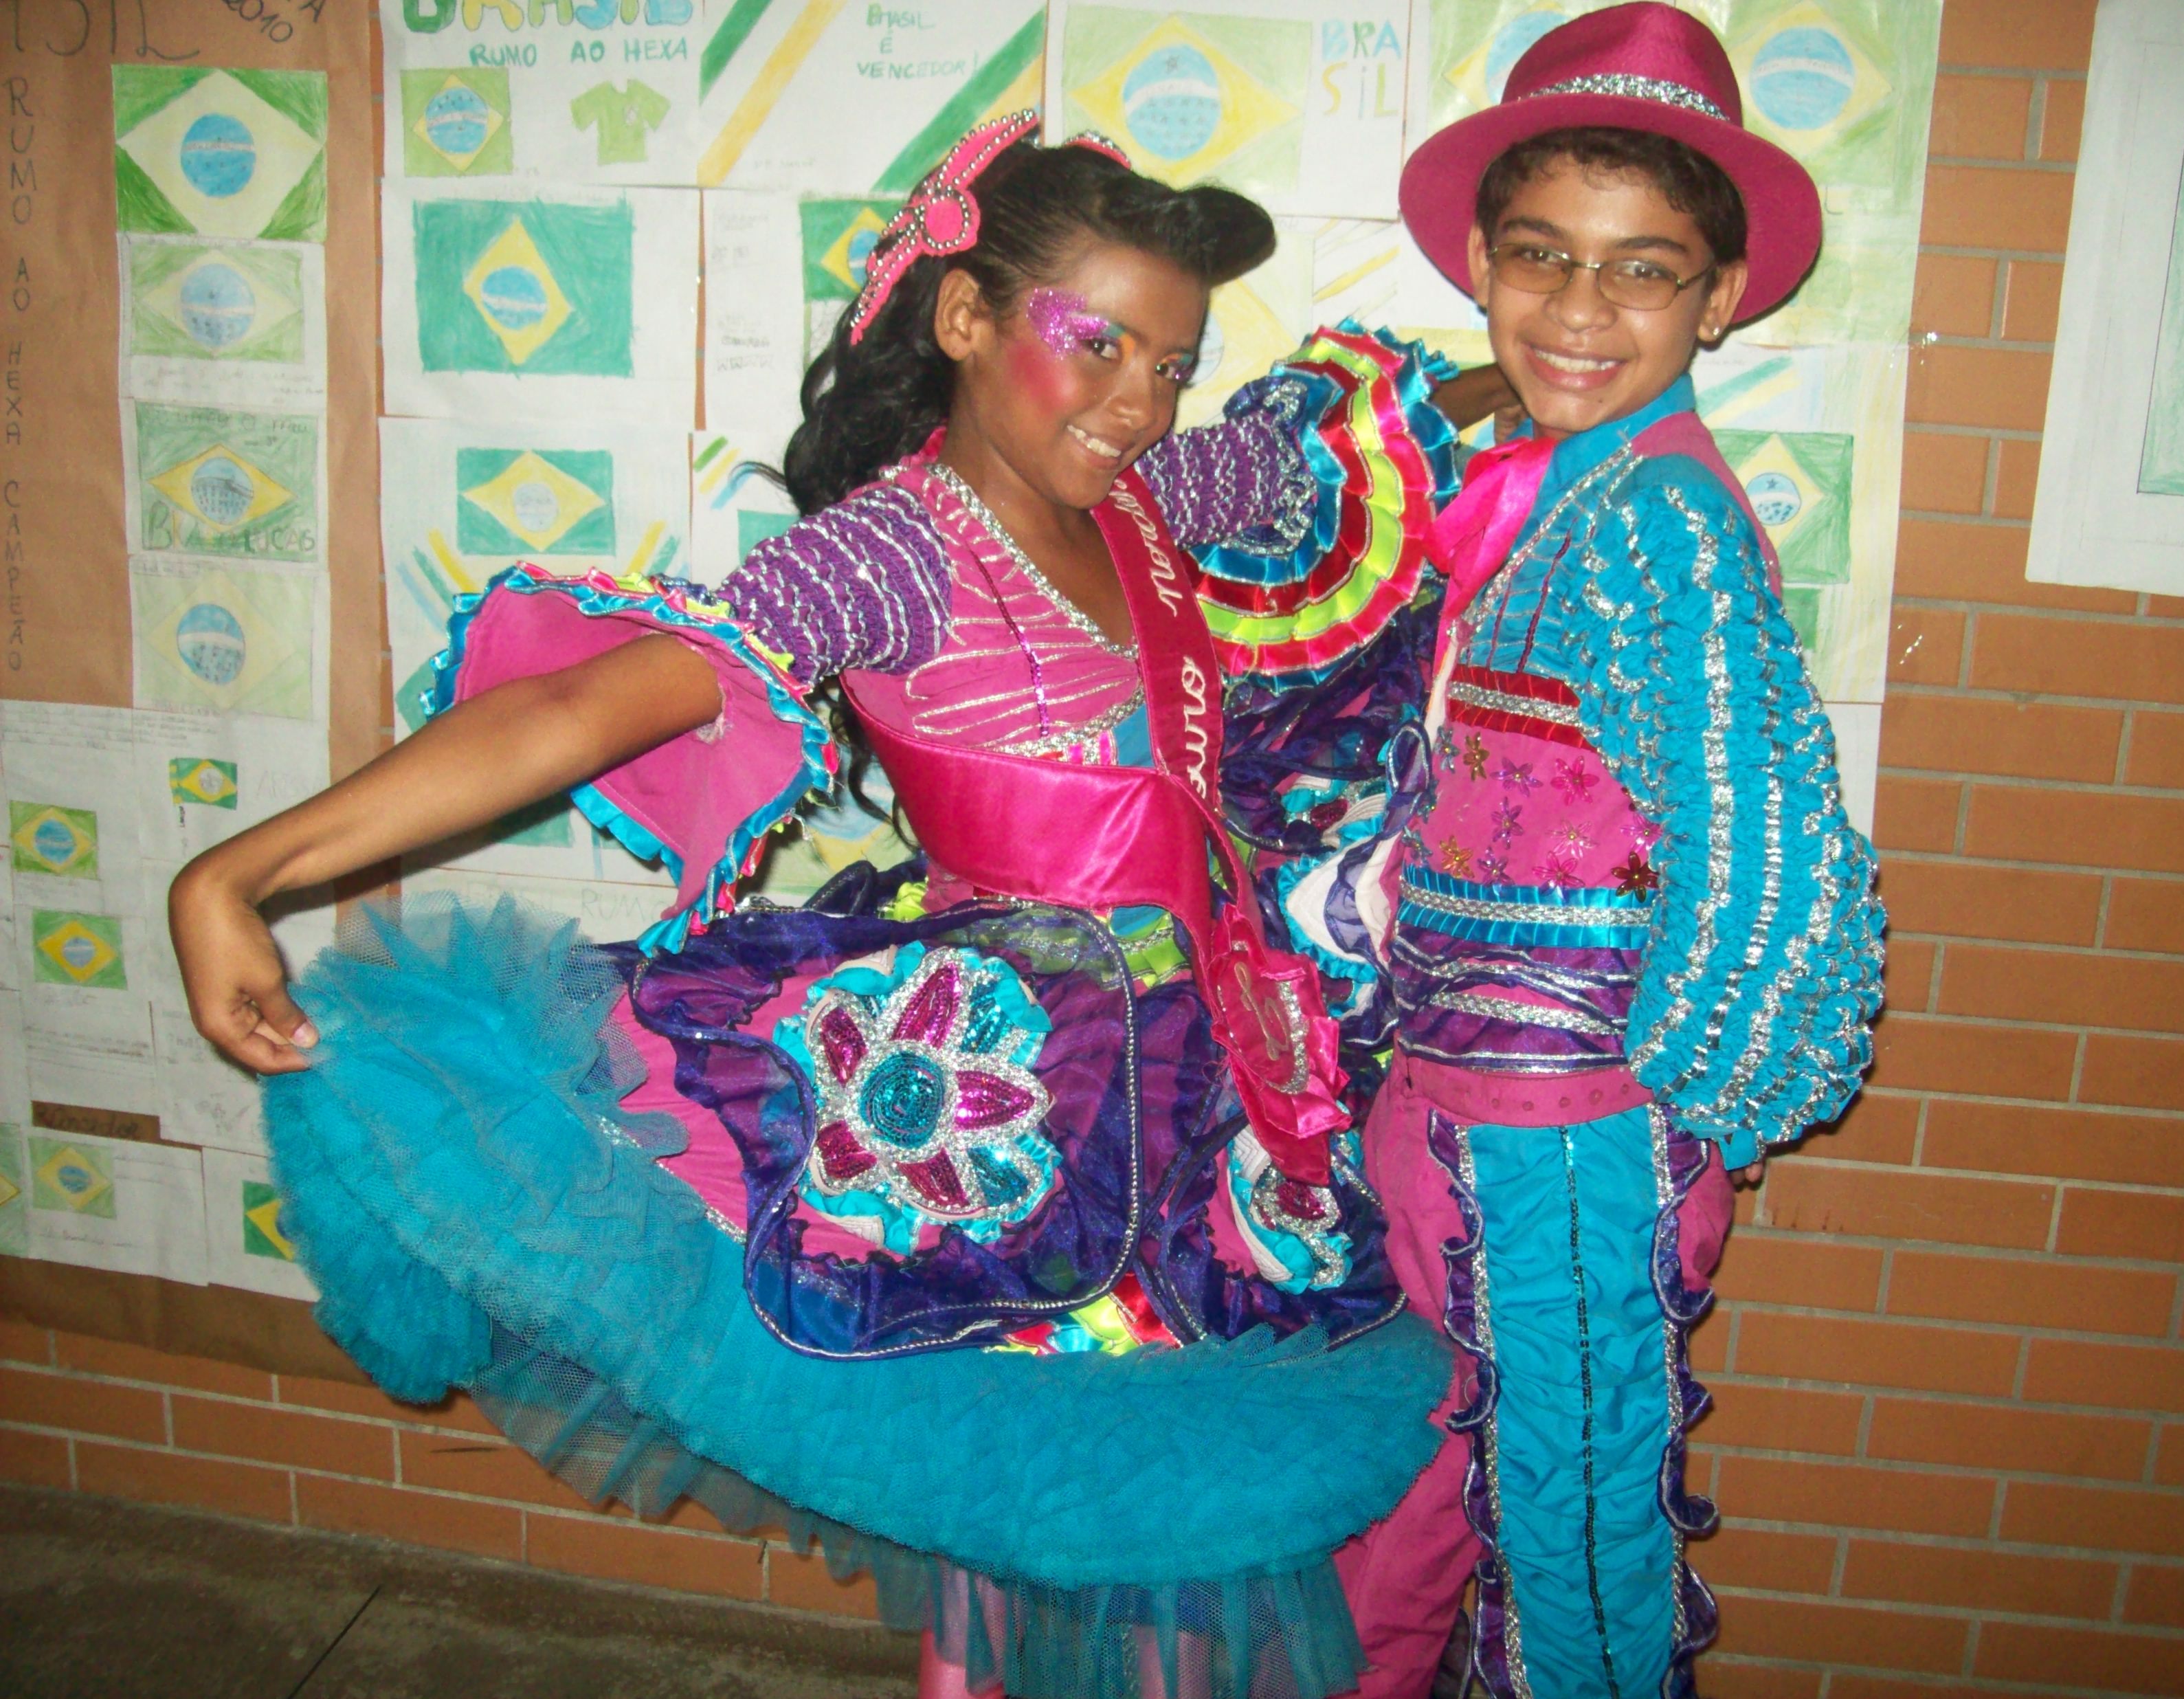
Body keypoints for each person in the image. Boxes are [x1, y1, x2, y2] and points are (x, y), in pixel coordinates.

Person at [170, 115, 1497, 1699]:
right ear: (966, 317)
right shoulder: (888, 553)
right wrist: (239, 872)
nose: (1140, 400)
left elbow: (1377, 440)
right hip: (1008, 1104)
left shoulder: (1152, 495)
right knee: (1025, 1496)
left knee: (1173, 1514)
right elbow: (577, 712)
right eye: (1097, 345)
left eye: (1170, 363)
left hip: (1215, 1094)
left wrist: (1566, 373)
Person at [1326, 9, 1888, 1697]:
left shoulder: (1657, 514)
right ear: (1481, 265)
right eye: (1540, 256)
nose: (1579, 308)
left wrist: (1661, 1103)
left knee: (1567, 1547)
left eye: (1642, 272)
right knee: (1423, 1506)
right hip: (1463, 1118)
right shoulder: (1556, 483)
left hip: (1562, 1145)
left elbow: (1767, 852)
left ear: (1720, 296)